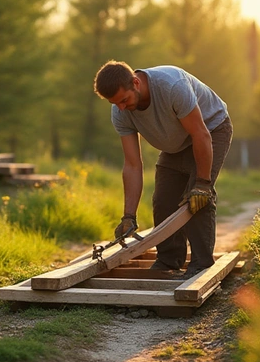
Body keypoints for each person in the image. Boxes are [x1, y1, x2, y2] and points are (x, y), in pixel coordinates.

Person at [93, 60, 233, 279]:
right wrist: (128, 216)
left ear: (136, 83)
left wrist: (203, 183)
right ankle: (169, 259)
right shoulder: (120, 112)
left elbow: (200, 134)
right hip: (175, 144)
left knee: (196, 198)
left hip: (210, 130)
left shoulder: (172, 86)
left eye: (124, 100)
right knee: (163, 200)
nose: (121, 107)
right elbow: (132, 164)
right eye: (114, 103)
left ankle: (201, 263)